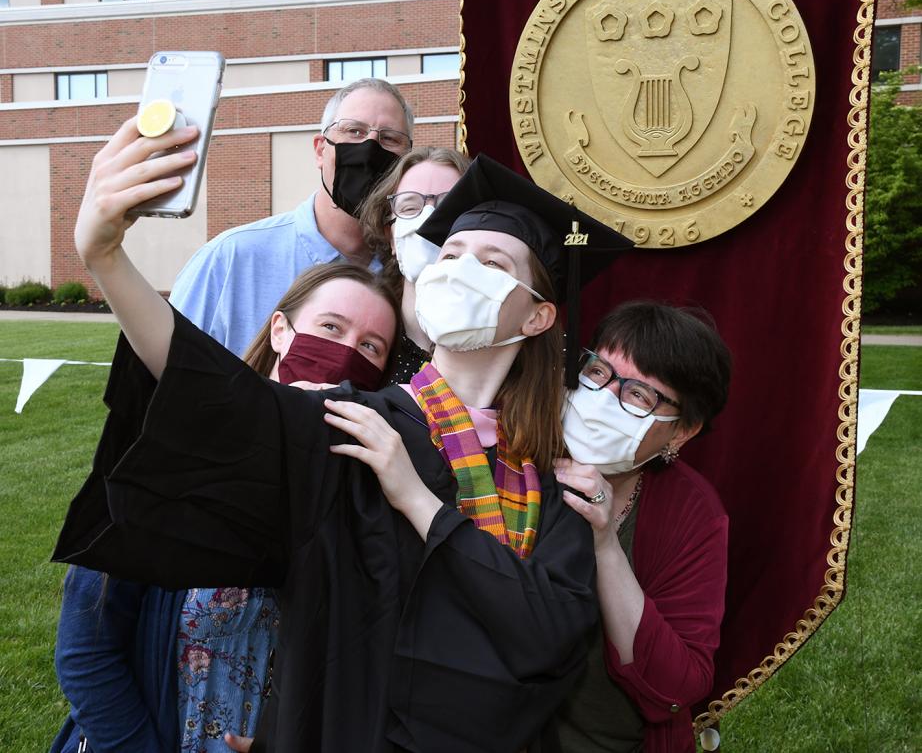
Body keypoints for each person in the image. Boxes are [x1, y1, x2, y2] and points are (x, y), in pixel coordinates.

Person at [53, 118, 633, 751]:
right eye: (451, 256)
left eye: (492, 262)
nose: (458, 271)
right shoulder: (354, 425)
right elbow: (214, 396)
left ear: (538, 315)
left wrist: (421, 503)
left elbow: (549, 637)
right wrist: (106, 260)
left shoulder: (548, 476)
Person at [50, 263, 401, 753]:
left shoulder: (368, 492)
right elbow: (87, 650)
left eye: (370, 347)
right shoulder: (183, 444)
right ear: (281, 330)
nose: (344, 354)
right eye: (330, 327)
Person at [553, 301, 732, 753]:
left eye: (638, 395)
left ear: (681, 432)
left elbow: (677, 687)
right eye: (597, 373)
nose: (603, 399)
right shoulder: (519, 452)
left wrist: (605, 544)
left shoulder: (693, 513)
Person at [170, 77, 414, 358]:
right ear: (321, 150)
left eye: (389, 138)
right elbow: (163, 374)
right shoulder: (230, 259)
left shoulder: (412, 269)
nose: (370, 149)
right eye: (354, 131)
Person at [360, 146, 471, 384]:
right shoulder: (366, 338)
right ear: (390, 236)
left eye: (448, 207)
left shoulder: (505, 345)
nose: (429, 218)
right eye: (409, 208)